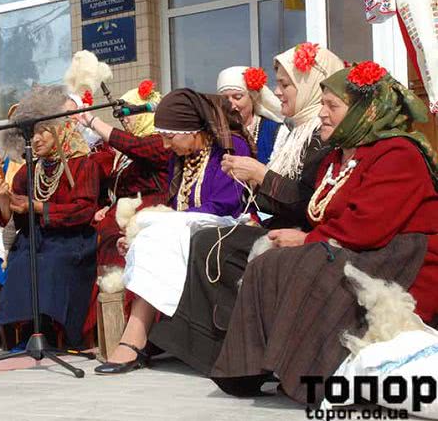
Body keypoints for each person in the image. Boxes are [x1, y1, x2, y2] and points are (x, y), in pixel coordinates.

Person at [213, 61, 438, 404]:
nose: (322, 114)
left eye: (333, 106)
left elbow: (369, 225)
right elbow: (320, 214)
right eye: (322, 106)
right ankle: (249, 370)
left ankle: (309, 376)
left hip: (403, 257)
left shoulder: (397, 152)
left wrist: (307, 239)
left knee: (309, 262)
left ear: (366, 110)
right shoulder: (336, 157)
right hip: (356, 246)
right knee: (266, 262)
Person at [147, 45, 344, 376]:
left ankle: (228, 347)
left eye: (285, 84)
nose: (277, 91)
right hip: (281, 223)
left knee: (210, 242)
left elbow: (311, 205)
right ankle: (210, 344)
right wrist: (251, 184)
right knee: (206, 240)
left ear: (310, 83)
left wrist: (260, 176)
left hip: (305, 234)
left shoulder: (320, 136)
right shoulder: (300, 132)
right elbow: (280, 200)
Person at [94, 89, 254, 374]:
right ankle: (140, 335)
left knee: (156, 229)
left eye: (170, 136)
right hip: (189, 225)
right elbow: (174, 204)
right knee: (147, 232)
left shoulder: (231, 146)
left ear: (193, 131)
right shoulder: (182, 155)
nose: (165, 145)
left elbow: (226, 204)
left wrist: (166, 222)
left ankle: (135, 339)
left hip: (229, 225)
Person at [0, 85, 100, 347]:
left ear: (60, 129)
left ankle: (54, 333)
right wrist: (3, 199)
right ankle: (30, 331)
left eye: (42, 131)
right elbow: (15, 219)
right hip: (37, 237)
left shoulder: (83, 163)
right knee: (21, 259)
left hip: (73, 239)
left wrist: (38, 208)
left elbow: (84, 210)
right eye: (31, 133)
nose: (36, 139)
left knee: (51, 261)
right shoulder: (26, 171)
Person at [74, 80, 170, 336]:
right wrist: (108, 205)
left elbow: (134, 147)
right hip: (121, 215)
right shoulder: (126, 152)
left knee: (122, 253)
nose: (125, 120)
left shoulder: (160, 142)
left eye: (130, 113)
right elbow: (118, 184)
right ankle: (105, 332)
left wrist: (94, 122)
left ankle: (135, 331)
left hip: (151, 212)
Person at [217, 66, 284, 164]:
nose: (231, 105)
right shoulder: (215, 132)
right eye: (225, 98)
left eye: (237, 97)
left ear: (252, 98)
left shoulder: (276, 132)